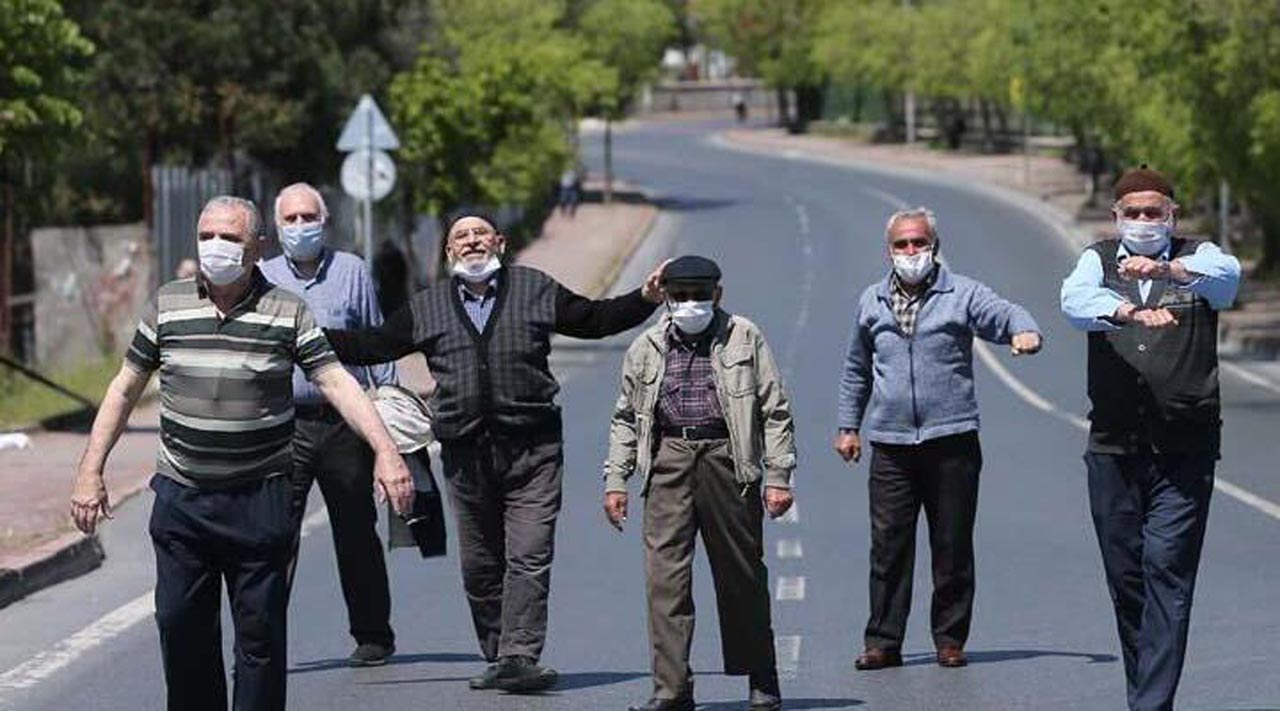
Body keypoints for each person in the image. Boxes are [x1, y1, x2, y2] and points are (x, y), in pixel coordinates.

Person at [70, 196, 413, 711]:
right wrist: (89, 471)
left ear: (257, 247)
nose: (216, 247)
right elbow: (123, 389)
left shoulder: (286, 310)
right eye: (207, 235)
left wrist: (387, 452)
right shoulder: (169, 304)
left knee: (260, 639)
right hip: (184, 500)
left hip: (259, 500)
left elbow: (336, 381)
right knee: (180, 628)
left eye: (230, 238)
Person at [324, 212, 668, 693]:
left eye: (480, 233)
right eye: (460, 237)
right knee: (480, 566)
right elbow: (371, 345)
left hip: (534, 450)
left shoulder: (533, 288)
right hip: (466, 457)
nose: (471, 242)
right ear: (448, 253)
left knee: (528, 555)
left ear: (500, 242)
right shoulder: (428, 307)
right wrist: (303, 335)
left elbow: (594, 319)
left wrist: (645, 298)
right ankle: (498, 653)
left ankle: (519, 654)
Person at [1060, 166, 1240, 711]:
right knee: (1128, 576)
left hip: (1185, 447)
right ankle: (1147, 694)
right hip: (1114, 446)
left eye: (1153, 212)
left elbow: (1227, 282)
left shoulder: (1200, 256)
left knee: (1168, 568)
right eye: (1132, 213)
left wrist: (1169, 268)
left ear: (1172, 215)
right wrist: (1128, 310)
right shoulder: (1096, 261)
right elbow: (1074, 302)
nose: (1143, 221)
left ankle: (1150, 704)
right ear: (1116, 218)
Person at [835, 207, 1042, 671]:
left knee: (951, 546)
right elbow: (856, 369)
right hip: (891, 444)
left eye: (919, 243)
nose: (911, 252)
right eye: (902, 245)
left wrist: (1024, 330)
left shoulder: (961, 293)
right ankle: (883, 642)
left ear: (934, 247)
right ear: (888, 251)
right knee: (888, 546)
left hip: (951, 441)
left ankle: (949, 638)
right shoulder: (871, 301)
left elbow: (1004, 313)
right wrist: (849, 427)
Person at [603, 256, 796, 711]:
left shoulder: (744, 336)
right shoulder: (645, 346)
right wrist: (616, 479)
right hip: (669, 461)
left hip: (727, 459)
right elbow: (625, 419)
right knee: (664, 581)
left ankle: (761, 677)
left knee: (741, 573)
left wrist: (778, 477)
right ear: (666, 298)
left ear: (717, 295)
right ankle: (671, 688)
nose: (690, 304)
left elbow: (775, 409)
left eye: (699, 295)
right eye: (681, 296)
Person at [259, 182, 400, 666]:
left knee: (356, 531)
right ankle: (264, 637)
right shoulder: (261, 276)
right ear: (277, 228)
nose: (300, 227)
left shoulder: (351, 271)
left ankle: (373, 633)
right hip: (284, 426)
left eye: (308, 217)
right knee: (275, 535)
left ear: (325, 221)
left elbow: (375, 340)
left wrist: (389, 423)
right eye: (290, 220)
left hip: (343, 424)